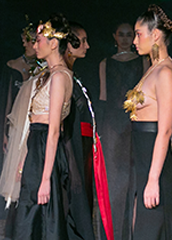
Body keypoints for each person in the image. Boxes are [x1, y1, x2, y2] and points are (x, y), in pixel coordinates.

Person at [121, 5, 172, 240]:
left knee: (157, 230)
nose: (134, 41)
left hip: (159, 168)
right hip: (145, 162)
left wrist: (153, 179)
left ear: (155, 35)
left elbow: (164, 130)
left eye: (138, 34)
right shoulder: (153, 69)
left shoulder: (165, 72)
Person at [14, 14, 76, 240]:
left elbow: (54, 130)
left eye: (39, 40)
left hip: (45, 149)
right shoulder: (50, 75)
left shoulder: (59, 76)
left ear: (53, 43)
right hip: (37, 147)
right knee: (29, 211)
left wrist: (46, 178)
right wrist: (25, 158)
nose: (35, 45)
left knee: (41, 212)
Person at [97, 22, 147, 239]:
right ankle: (112, 230)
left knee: (132, 175)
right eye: (122, 34)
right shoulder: (105, 63)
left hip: (133, 122)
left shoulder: (143, 61)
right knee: (113, 175)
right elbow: (103, 97)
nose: (125, 39)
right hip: (111, 123)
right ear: (114, 36)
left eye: (129, 34)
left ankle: (130, 231)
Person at [0, 23, 38, 220]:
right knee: (12, 164)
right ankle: (10, 209)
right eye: (30, 40)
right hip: (15, 123)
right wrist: (4, 132)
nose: (33, 44)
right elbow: (7, 100)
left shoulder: (42, 68)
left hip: (34, 121)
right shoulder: (12, 66)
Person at [64, 22, 109, 240]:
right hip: (72, 148)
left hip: (83, 148)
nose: (87, 46)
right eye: (81, 41)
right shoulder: (62, 78)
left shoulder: (73, 77)